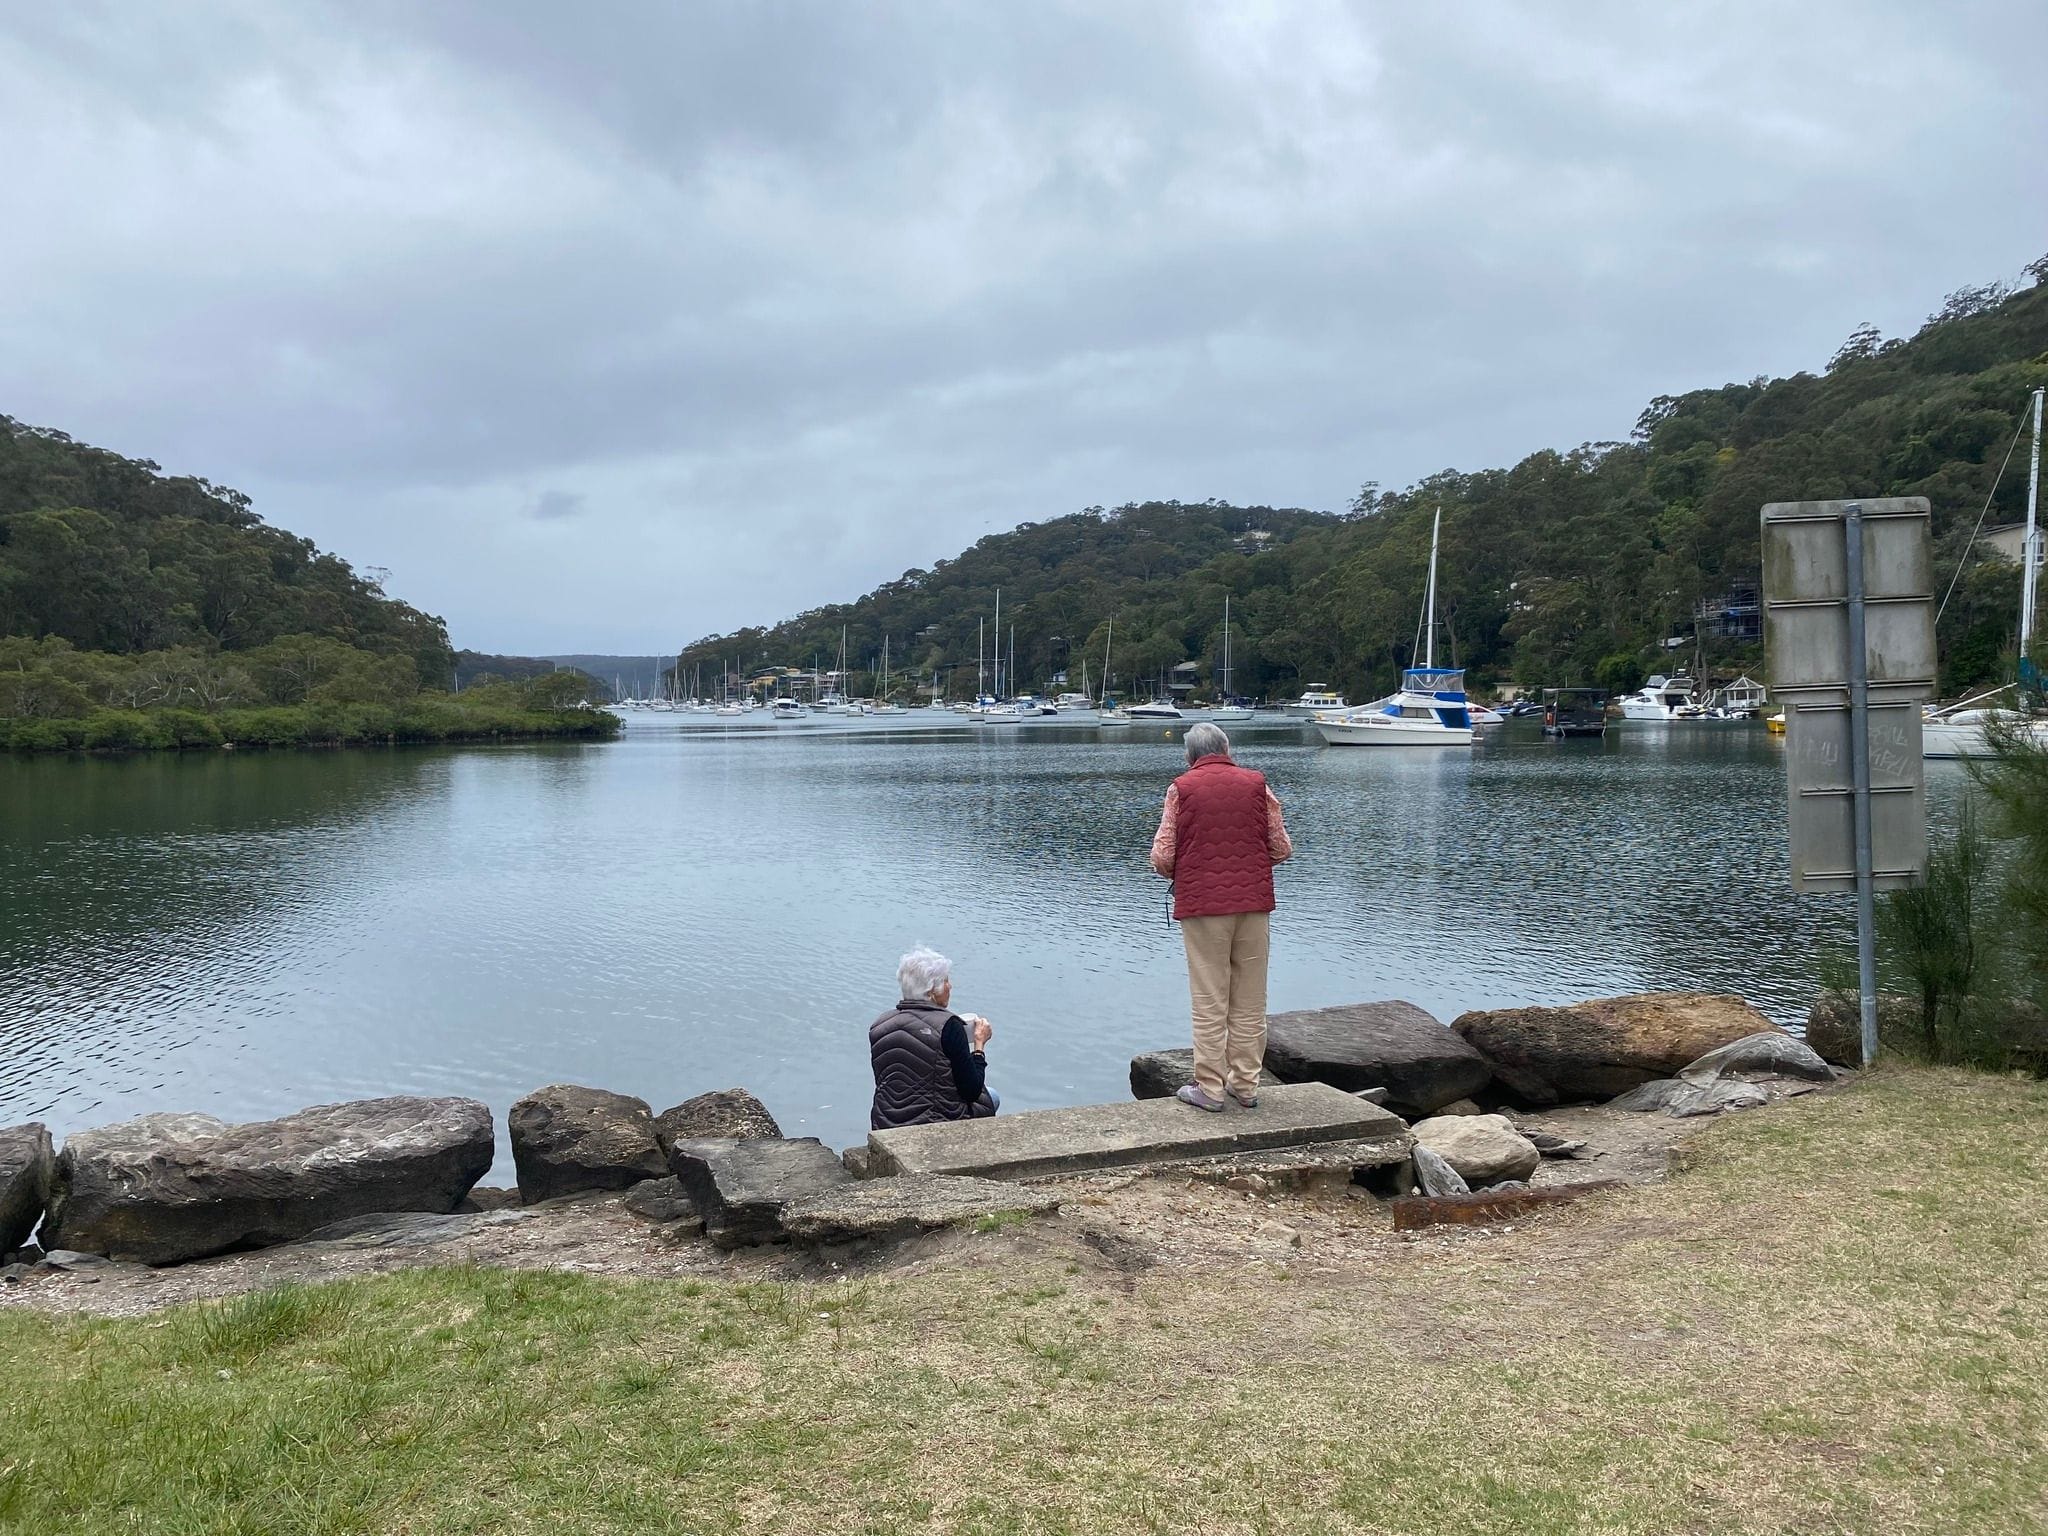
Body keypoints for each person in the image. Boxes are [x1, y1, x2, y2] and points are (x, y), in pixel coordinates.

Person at [1149, 722, 1293, 1111]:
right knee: (1249, 998)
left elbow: (1163, 856)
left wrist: (1184, 870)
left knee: (1210, 998)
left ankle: (1209, 1088)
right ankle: (1245, 1085)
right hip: (1254, 904)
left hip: (1203, 907)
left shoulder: (1181, 788)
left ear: (1189, 756)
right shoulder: (1257, 785)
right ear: (1227, 748)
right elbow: (1281, 847)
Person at [869, 946, 999, 1130]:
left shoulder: (879, 1025)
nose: (950, 986)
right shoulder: (949, 1026)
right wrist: (979, 1045)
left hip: (885, 1123)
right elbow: (971, 1091)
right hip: (934, 1125)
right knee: (992, 1097)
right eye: (946, 981)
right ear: (932, 991)